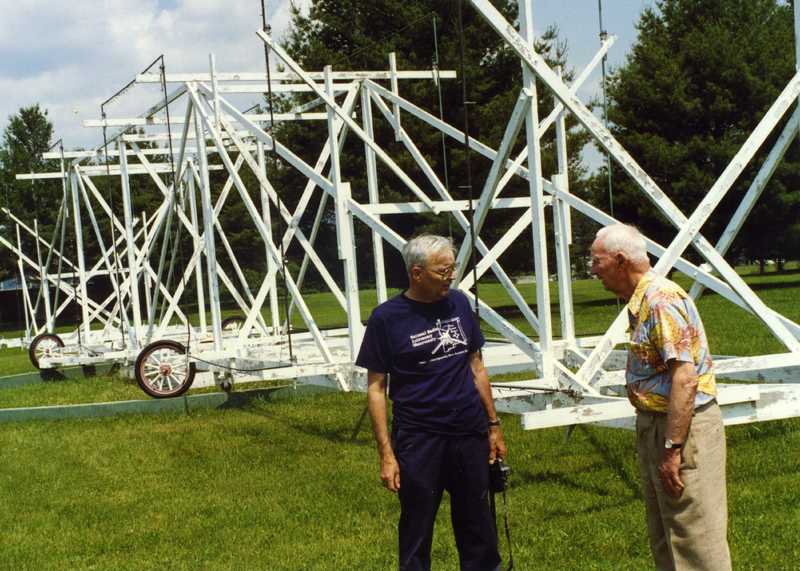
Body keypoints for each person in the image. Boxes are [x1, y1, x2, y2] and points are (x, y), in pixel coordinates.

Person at [356, 234, 507, 571]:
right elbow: (376, 388)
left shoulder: (459, 304)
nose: (450, 277)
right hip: (420, 437)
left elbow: (477, 367)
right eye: (443, 271)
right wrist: (386, 454)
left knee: (478, 523)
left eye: (452, 269)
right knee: (417, 526)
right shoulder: (386, 318)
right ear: (416, 273)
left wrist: (493, 425)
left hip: (468, 431)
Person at [590, 224, 731, 571]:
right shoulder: (642, 300)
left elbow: (685, 378)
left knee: (695, 537)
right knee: (666, 532)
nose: (593, 271)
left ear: (621, 260)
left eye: (596, 261)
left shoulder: (660, 302)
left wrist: (672, 449)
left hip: (682, 431)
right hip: (659, 426)